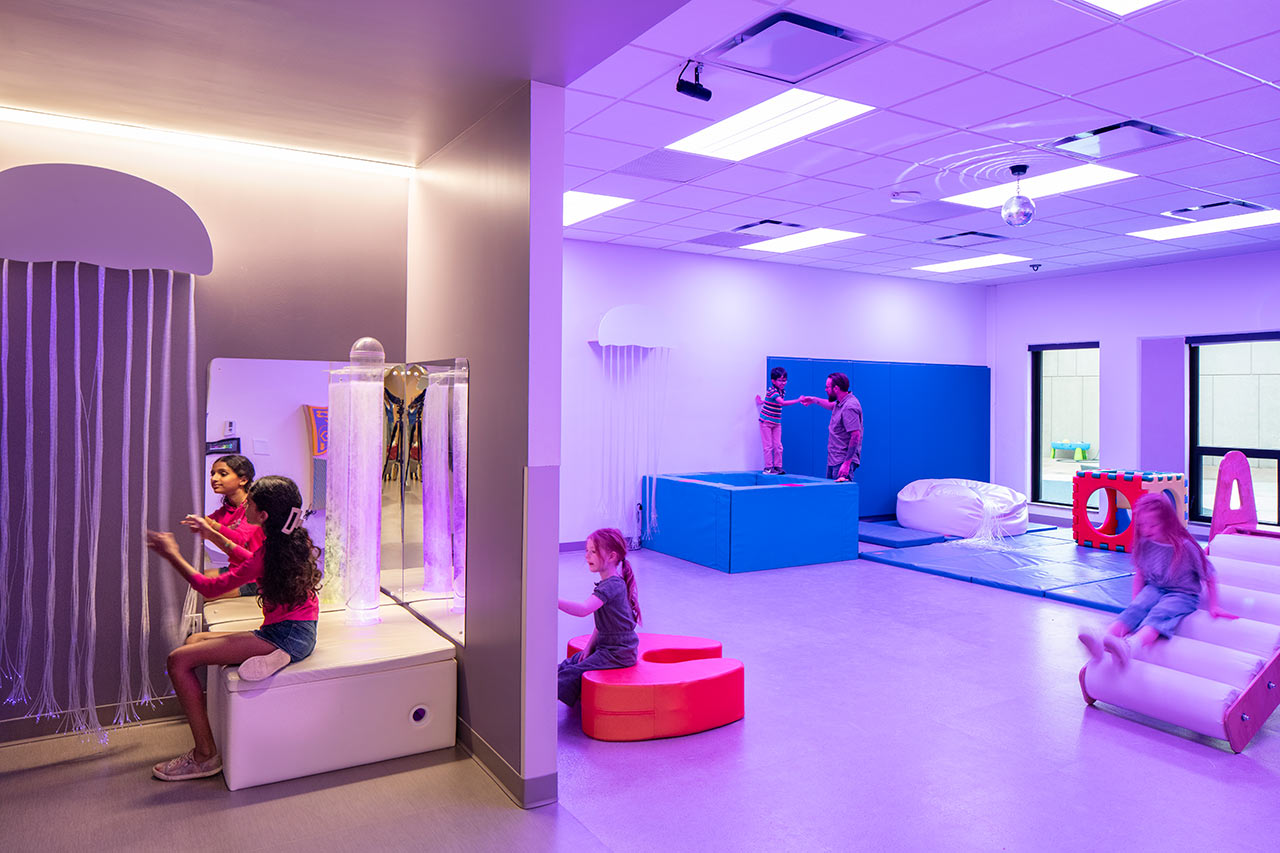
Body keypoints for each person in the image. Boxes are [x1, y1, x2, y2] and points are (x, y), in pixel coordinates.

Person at [145, 475, 322, 781]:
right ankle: (276, 659)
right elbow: (253, 561)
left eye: (250, 502)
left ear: (262, 515)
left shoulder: (272, 549)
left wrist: (170, 553)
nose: (246, 505)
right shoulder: (289, 540)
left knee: (177, 660)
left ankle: (204, 757)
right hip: (298, 630)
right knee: (194, 640)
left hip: (285, 636)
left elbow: (208, 587)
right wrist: (211, 533)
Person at [1078, 493, 1235, 667]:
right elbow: (1140, 574)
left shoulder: (1185, 547)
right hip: (1155, 587)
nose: (1146, 530)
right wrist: (1135, 603)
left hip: (1182, 593)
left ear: (1167, 522)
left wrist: (1214, 605)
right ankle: (1103, 640)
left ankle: (1131, 646)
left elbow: (1210, 574)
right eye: (1142, 525)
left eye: (1153, 525)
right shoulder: (1145, 542)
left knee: (1160, 613)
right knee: (1136, 609)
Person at [557, 528, 641, 707]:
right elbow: (601, 623)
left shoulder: (612, 586)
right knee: (568, 664)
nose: (587, 556)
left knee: (571, 673)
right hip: (607, 646)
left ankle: (539, 705)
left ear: (611, 557)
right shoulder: (609, 582)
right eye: (586, 550)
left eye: (593, 551)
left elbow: (583, 609)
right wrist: (589, 647)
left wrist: (552, 600)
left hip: (619, 652)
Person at [183, 454, 264, 598]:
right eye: (212, 474)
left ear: (243, 480)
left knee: (195, 596)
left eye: (223, 474)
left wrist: (210, 525)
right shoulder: (227, 510)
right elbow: (202, 525)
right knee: (187, 583)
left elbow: (240, 540)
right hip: (238, 570)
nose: (214, 479)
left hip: (256, 577)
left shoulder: (253, 508)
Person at [800, 372, 862, 481]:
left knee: (841, 495)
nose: (825, 390)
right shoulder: (840, 402)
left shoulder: (849, 406)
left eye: (827, 387)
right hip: (834, 459)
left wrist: (847, 464)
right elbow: (830, 405)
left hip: (842, 461)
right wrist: (814, 400)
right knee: (831, 494)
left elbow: (855, 435)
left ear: (836, 388)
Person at [754, 367, 802, 474]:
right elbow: (781, 403)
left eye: (784, 380)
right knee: (768, 446)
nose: (783, 383)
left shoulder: (782, 391)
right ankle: (768, 467)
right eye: (780, 380)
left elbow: (769, 401)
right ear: (773, 381)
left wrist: (761, 401)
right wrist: (798, 400)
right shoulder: (772, 390)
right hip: (765, 422)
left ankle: (778, 466)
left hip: (776, 422)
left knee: (778, 445)